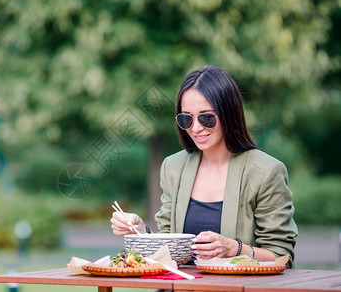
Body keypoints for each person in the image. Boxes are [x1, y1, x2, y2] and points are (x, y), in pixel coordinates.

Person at [111, 65, 298, 268]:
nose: (196, 128)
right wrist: (140, 231)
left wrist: (234, 249)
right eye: (186, 119)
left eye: (206, 118)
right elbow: (167, 247)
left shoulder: (266, 171)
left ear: (228, 113)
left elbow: (281, 257)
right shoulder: (173, 167)